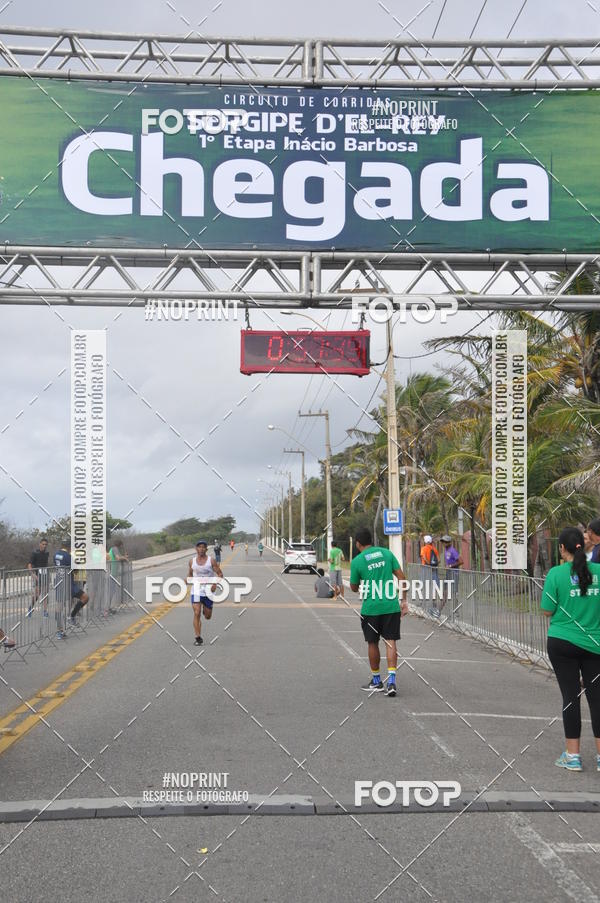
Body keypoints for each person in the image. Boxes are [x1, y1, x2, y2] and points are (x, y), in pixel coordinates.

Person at [541, 526, 600, 772]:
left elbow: (547, 610)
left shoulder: (555, 574)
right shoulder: (598, 571)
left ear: (562, 548)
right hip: (595, 645)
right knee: (597, 700)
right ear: (584, 545)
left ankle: (573, 756)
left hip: (562, 642)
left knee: (570, 696)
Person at [350, 527, 408, 697]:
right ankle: (391, 682)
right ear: (372, 541)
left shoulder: (357, 561)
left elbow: (353, 587)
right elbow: (402, 578)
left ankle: (376, 681)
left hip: (371, 608)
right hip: (391, 606)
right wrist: (403, 601)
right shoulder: (387, 553)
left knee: (372, 643)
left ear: (358, 544)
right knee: (390, 641)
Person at [187, 540, 223, 646]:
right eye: (199, 547)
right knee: (196, 612)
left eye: (203, 547)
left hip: (208, 592)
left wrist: (214, 585)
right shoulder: (191, 561)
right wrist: (188, 580)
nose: (201, 549)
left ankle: (206, 610)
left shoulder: (211, 561)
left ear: (206, 549)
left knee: (207, 616)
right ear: (196, 549)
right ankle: (198, 637)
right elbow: (190, 575)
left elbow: (220, 574)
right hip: (196, 591)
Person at [440, 534, 462, 615]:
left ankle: (456, 611)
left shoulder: (453, 550)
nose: (443, 543)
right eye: (443, 542)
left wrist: (450, 566)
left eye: (445, 542)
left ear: (449, 542)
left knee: (454, 592)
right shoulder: (446, 550)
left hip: (454, 574)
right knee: (445, 591)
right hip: (448, 573)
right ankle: (440, 609)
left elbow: (461, 561)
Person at [420, 534, 441, 617]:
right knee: (434, 585)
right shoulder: (434, 549)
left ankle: (423, 601)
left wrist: (428, 564)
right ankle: (434, 601)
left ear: (425, 541)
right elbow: (439, 560)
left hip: (426, 569)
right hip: (434, 569)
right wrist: (434, 565)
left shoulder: (423, 548)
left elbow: (424, 558)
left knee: (423, 584)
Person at [27, 536, 49, 617]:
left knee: (45, 594)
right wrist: (32, 574)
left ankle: (45, 611)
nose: (44, 546)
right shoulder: (35, 553)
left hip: (46, 575)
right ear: (40, 544)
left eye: (46, 544)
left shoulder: (47, 553)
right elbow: (29, 565)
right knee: (37, 595)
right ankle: (30, 608)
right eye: (43, 544)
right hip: (38, 576)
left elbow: (46, 564)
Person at [107, 540, 128, 615]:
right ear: (120, 544)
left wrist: (124, 557)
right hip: (112, 572)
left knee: (112, 591)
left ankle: (108, 608)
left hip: (113, 572)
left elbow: (118, 558)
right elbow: (118, 558)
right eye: (122, 545)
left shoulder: (114, 549)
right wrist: (124, 558)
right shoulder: (114, 549)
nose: (122, 547)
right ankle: (107, 609)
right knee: (111, 591)